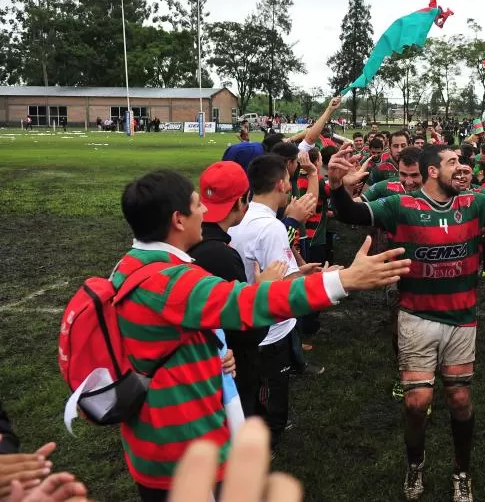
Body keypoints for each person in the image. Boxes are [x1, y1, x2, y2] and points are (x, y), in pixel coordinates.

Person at [113, 169, 409, 501]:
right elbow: (248, 304)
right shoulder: (172, 282)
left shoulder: (131, 266)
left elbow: (159, 337)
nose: (205, 212)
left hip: (152, 443)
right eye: (198, 205)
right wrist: (345, 281)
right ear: (179, 220)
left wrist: (206, 353)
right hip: (185, 453)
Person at [326, 143, 485, 502]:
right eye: (452, 163)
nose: (461, 168)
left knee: (459, 398)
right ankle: (415, 464)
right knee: (416, 402)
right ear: (432, 171)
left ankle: (462, 471)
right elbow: (351, 213)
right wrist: (335, 186)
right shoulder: (400, 205)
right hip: (416, 315)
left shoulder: (475, 202)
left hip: (461, 318)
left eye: (461, 162)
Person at [227, 155, 323, 449]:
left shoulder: (240, 217)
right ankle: (266, 442)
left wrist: (298, 271)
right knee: (270, 391)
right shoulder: (272, 227)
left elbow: (272, 270)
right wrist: (325, 279)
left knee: (252, 387)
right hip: (269, 329)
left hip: (243, 320)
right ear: (282, 184)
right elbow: (280, 288)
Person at [187, 162, 270, 422]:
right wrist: (263, 289)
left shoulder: (189, 240)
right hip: (227, 372)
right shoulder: (221, 255)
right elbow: (247, 328)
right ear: (239, 202)